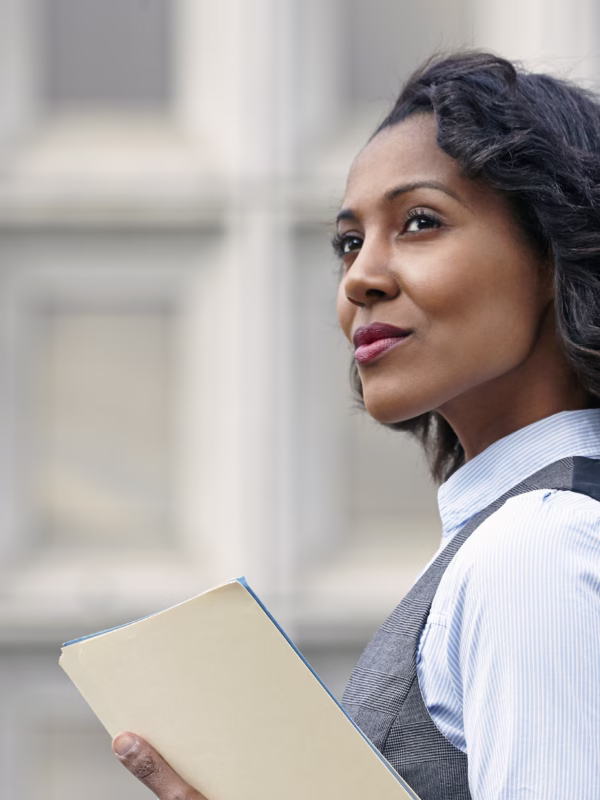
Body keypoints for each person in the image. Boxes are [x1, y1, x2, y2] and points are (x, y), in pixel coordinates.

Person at [110, 52, 600, 798]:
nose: (360, 278)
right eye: (349, 242)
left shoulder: (535, 547)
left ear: (552, 256)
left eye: (421, 222)